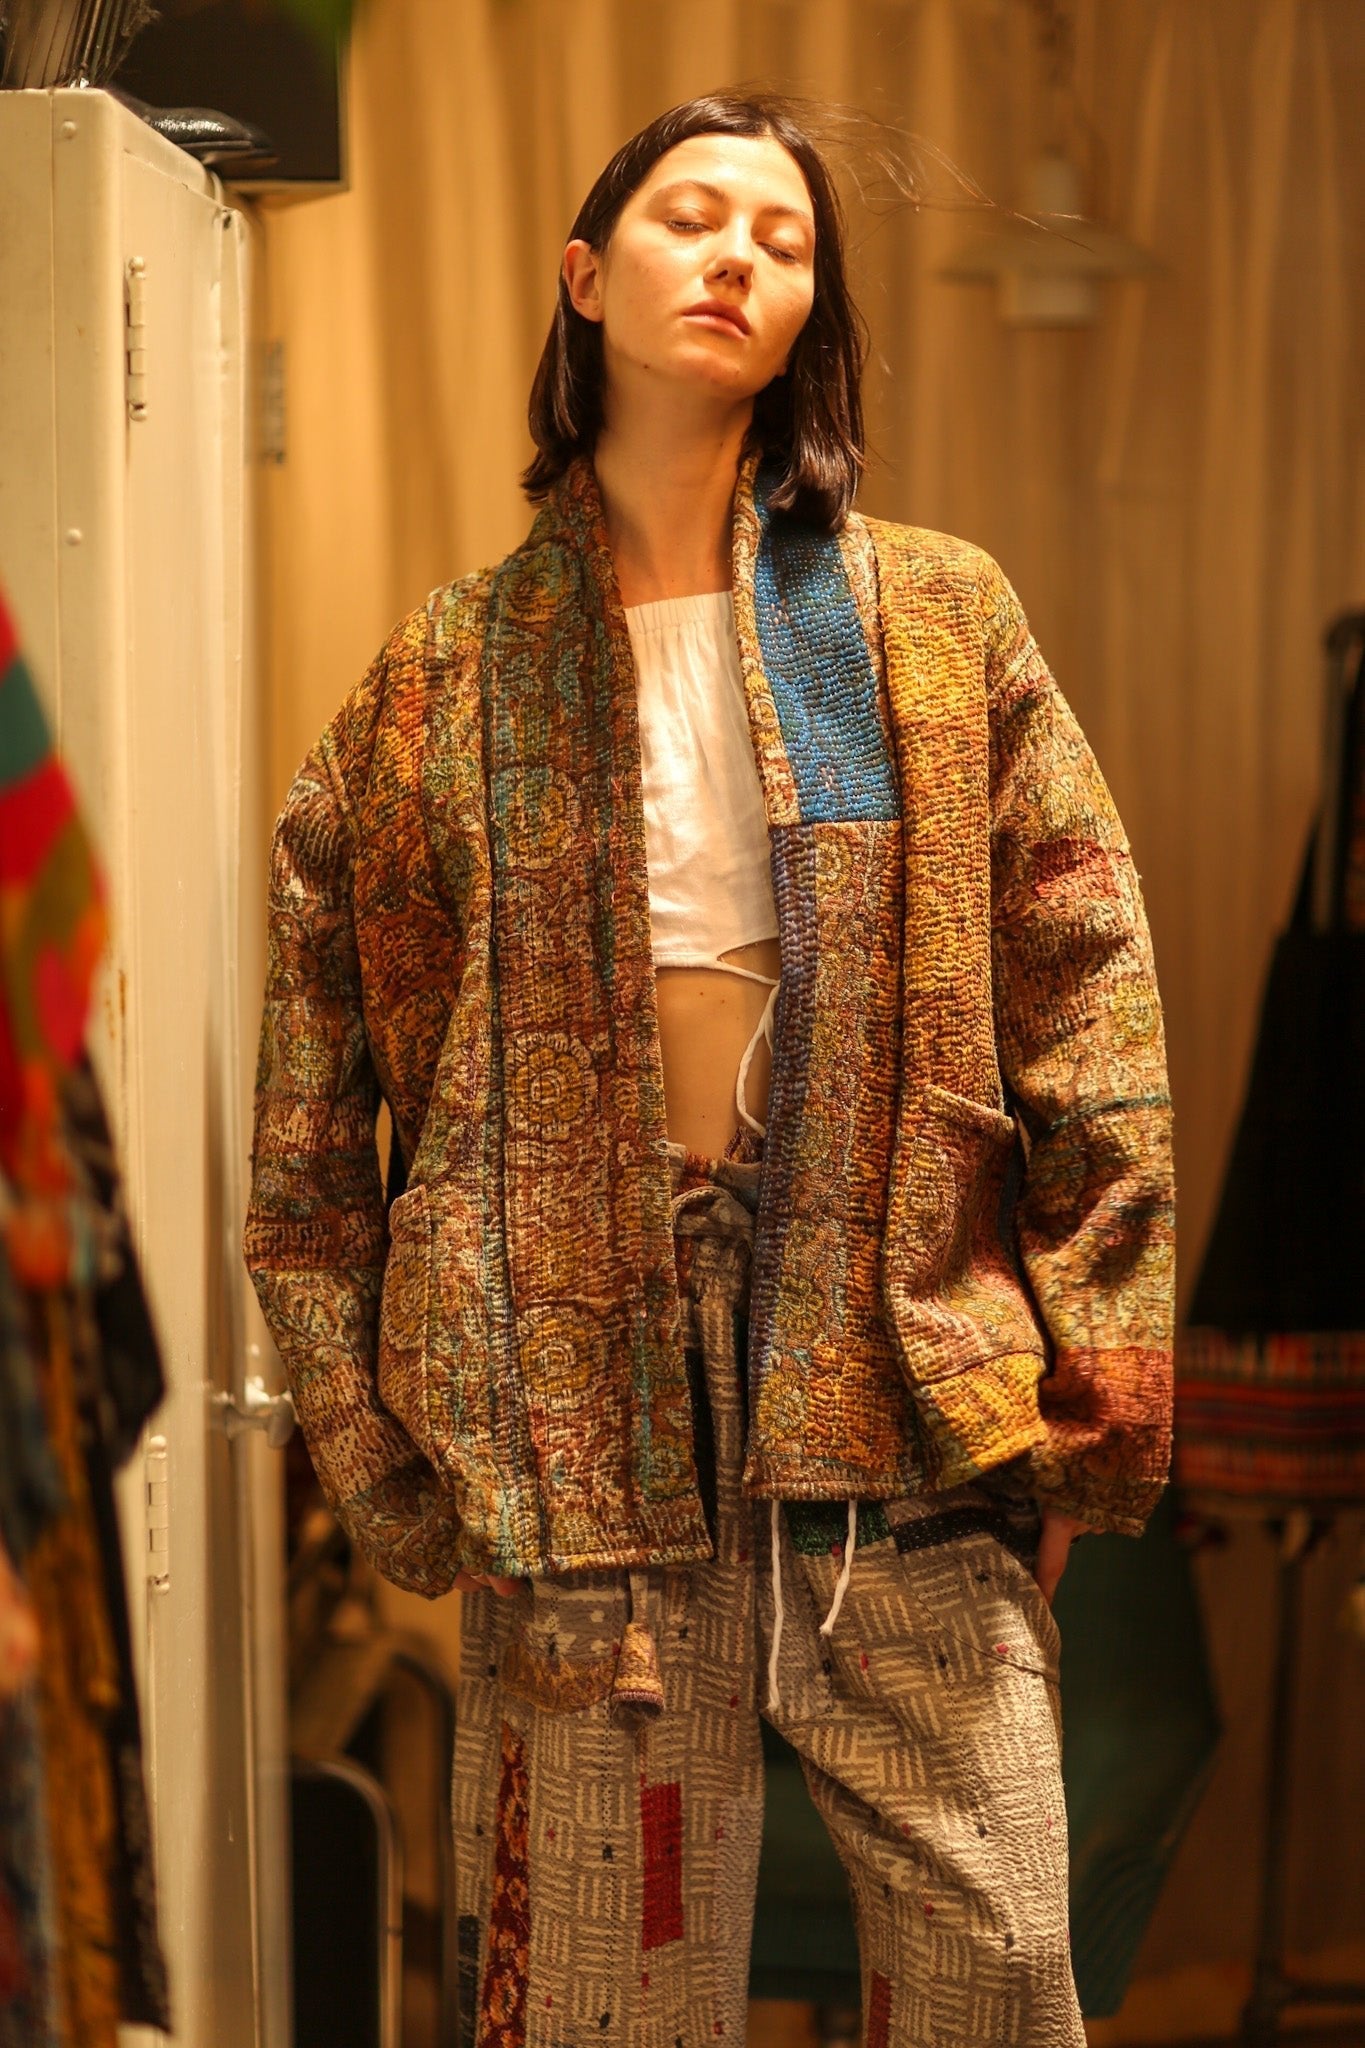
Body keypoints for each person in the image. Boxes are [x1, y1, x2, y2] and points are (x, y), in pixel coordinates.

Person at [245, 89, 1174, 2048]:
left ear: (810, 309)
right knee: (599, 1996)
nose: (737, 253)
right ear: (586, 277)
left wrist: (1095, 1382)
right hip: (575, 1402)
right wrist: (375, 1440)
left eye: (783, 234)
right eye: (690, 215)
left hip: (895, 1368)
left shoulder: (922, 620)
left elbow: (1085, 979)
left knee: (1000, 1961)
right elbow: (311, 1101)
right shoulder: (448, 675)